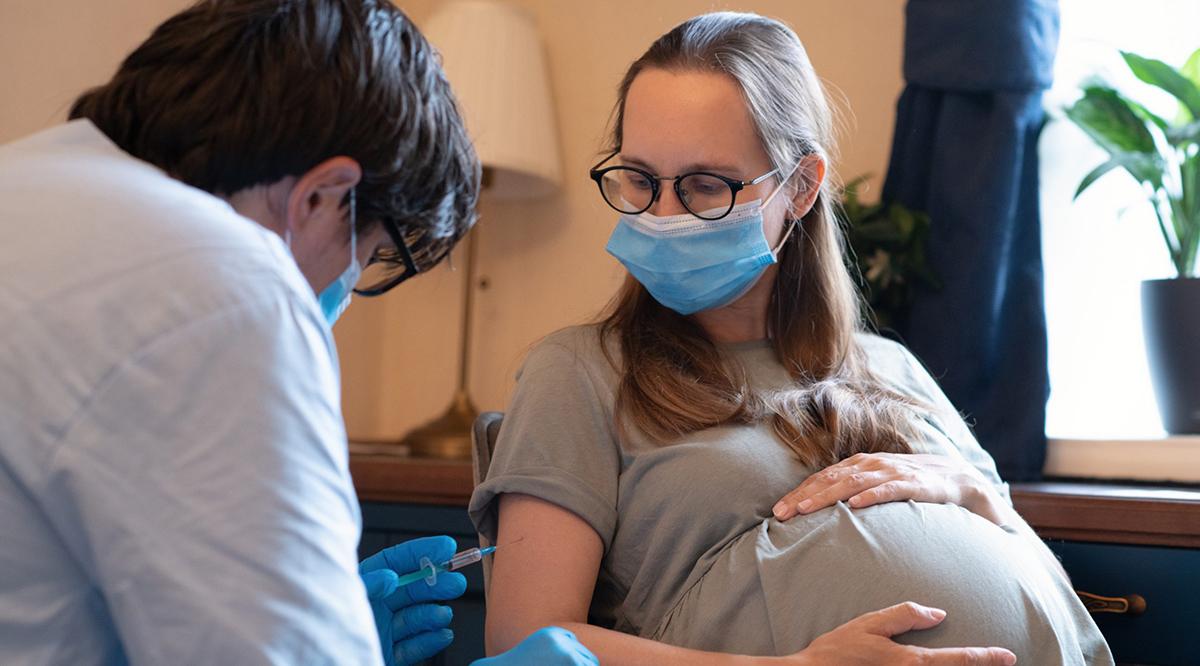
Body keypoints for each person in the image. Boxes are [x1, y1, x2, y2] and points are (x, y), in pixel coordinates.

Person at [469, 12, 1113, 665]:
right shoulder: (579, 372)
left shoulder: (891, 368)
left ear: (801, 186)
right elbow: (527, 639)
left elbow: (1027, 561)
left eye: (703, 186)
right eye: (639, 179)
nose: (663, 217)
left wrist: (967, 490)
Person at [0, 0, 593, 664]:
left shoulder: (27, 184)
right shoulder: (225, 289)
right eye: (366, 259)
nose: (339, 297)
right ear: (322, 196)